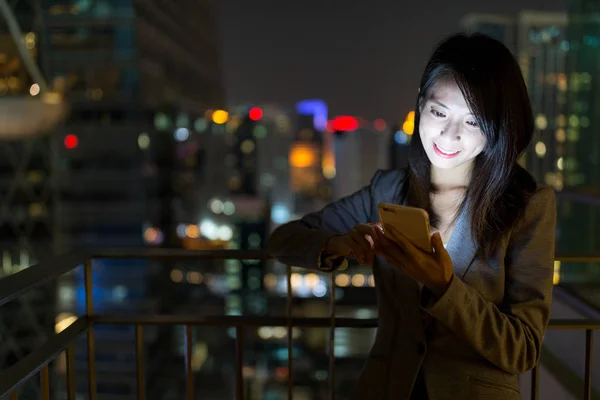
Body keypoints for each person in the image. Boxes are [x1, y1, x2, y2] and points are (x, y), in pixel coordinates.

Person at [267, 33, 556, 400]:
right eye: (439, 112)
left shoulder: (527, 206)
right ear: (420, 103)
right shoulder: (387, 191)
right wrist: (339, 243)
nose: (448, 136)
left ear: (498, 127)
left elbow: (523, 348)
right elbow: (283, 240)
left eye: (473, 122)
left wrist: (445, 288)